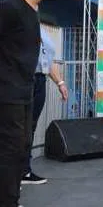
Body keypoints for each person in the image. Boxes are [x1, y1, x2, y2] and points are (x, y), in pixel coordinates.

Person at [0, 0, 66, 207]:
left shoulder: (32, 11)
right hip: (7, 94)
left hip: (24, 91)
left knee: (20, 149)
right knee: (9, 151)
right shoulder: (10, 8)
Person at [22, 27, 68, 185]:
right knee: (16, 127)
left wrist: (60, 83)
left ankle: (24, 171)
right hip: (21, 79)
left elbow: (48, 59)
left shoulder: (42, 30)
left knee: (30, 127)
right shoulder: (15, 22)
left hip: (40, 80)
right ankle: (10, 175)